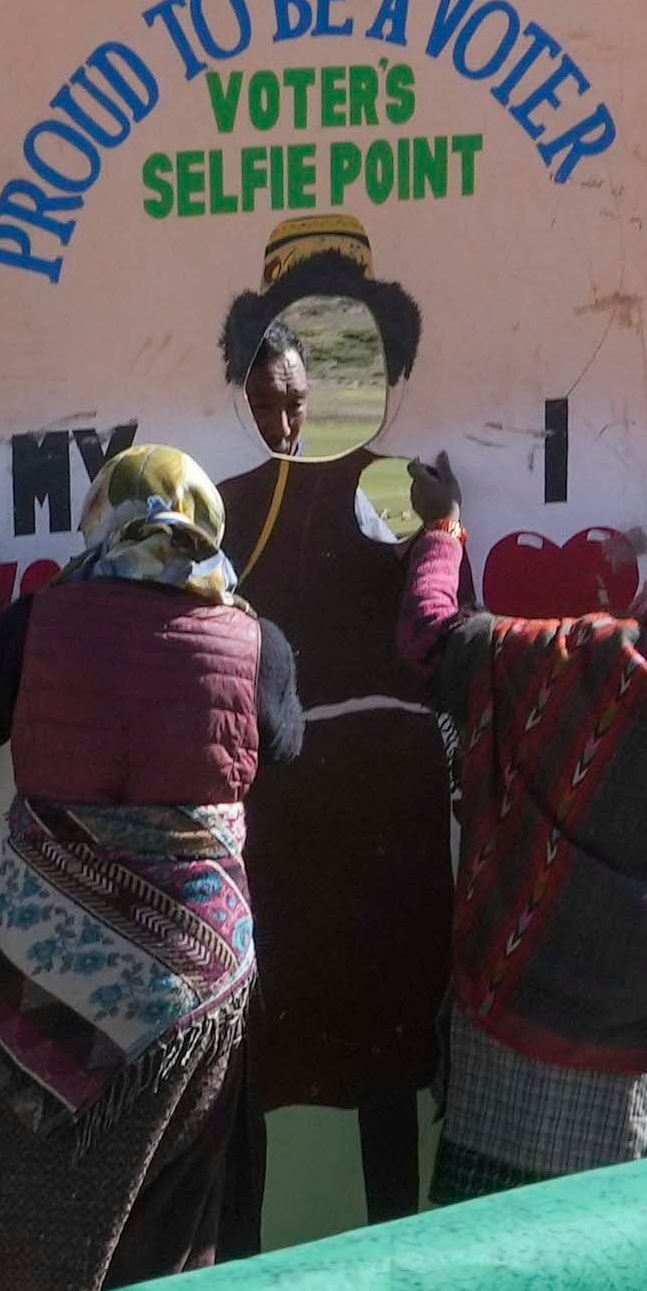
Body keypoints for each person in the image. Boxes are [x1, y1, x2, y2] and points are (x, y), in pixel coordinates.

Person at [0, 444, 304, 1291]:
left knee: (44, 1212)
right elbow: (284, 742)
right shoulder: (255, 641)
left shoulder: (43, 620)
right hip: (195, 987)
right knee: (176, 1224)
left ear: (100, 517)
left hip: (55, 979)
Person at [391, 460, 647, 1203]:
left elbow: (430, 635)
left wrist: (443, 528)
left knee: (491, 1238)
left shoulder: (576, 660)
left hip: (519, 1026)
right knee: (617, 1245)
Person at [213, 264, 453, 1223]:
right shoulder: (216, 513)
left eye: (297, 404)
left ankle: (392, 1259)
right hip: (267, 837)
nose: (285, 426)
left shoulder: (347, 498)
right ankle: (236, 1271)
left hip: (363, 844)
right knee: (248, 1055)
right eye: (266, 405)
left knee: (383, 1053)